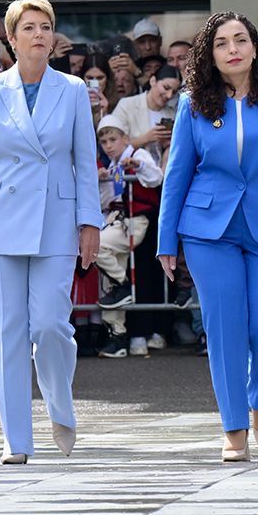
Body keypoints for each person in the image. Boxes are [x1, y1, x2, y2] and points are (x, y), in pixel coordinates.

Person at [157, 11, 258, 463]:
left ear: (254, 48)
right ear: (210, 55)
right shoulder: (193, 102)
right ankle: (233, 425)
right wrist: (166, 240)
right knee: (224, 328)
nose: (233, 49)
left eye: (240, 40)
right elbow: (178, 173)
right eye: (222, 43)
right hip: (210, 231)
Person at [0, 0, 102, 465]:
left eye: (46, 27)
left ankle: (61, 403)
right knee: (6, 331)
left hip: (57, 220)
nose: (39, 34)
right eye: (30, 27)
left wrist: (89, 222)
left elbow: (84, 161)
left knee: (51, 325)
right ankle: (16, 439)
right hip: (0, 220)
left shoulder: (73, 89)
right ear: (12, 38)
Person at [93, 115, 164, 353]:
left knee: (98, 247)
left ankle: (124, 285)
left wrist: (138, 166)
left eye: (113, 139)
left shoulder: (137, 155)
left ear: (125, 138)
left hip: (133, 222)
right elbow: (105, 200)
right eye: (104, 142)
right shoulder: (111, 167)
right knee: (109, 285)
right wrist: (99, 179)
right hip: (114, 221)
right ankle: (118, 335)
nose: (109, 145)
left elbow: (156, 178)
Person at [109, 65, 180, 163]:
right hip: (130, 171)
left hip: (161, 171)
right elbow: (112, 146)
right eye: (166, 88)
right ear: (153, 81)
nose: (169, 95)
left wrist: (168, 144)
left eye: (174, 92)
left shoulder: (173, 114)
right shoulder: (126, 105)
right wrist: (145, 139)